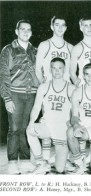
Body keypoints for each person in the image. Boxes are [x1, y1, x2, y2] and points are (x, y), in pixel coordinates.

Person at [0, 19, 39, 174]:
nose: (25, 32)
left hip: (31, 94)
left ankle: (24, 161)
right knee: (14, 128)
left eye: (28, 29)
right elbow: (3, 75)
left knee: (26, 129)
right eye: (22, 29)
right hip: (15, 93)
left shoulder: (35, 50)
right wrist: (7, 98)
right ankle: (11, 163)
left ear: (31, 32)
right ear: (16, 31)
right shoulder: (8, 50)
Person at [26, 57, 75, 174]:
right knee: (30, 130)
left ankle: (64, 158)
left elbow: (76, 111)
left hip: (62, 129)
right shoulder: (43, 87)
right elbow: (36, 107)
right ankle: (41, 163)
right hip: (47, 126)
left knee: (60, 169)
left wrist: (72, 124)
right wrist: (31, 122)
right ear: (50, 69)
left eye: (60, 68)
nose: (57, 71)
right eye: (54, 68)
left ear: (64, 70)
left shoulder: (71, 88)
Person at [35, 16, 73, 83]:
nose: (60, 28)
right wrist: (44, 85)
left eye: (63, 25)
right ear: (52, 27)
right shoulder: (44, 45)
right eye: (57, 25)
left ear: (66, 28)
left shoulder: (71, 47)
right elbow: (37, 69)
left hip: (66, 88)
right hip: (49, 87)